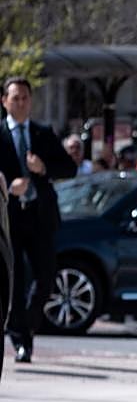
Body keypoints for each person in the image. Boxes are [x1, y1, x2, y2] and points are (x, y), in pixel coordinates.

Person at [1, 77, 78, 363]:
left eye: (25, 98)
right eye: (15, 97)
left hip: (40, 216)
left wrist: (43, 167)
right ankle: (21, 340)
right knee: (16, 281)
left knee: (45, 277)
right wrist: (9, 186)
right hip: (9, 219)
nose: (20, 102)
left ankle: (27, 326)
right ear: (4, 101)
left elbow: (69, 169)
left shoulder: (43, 134)